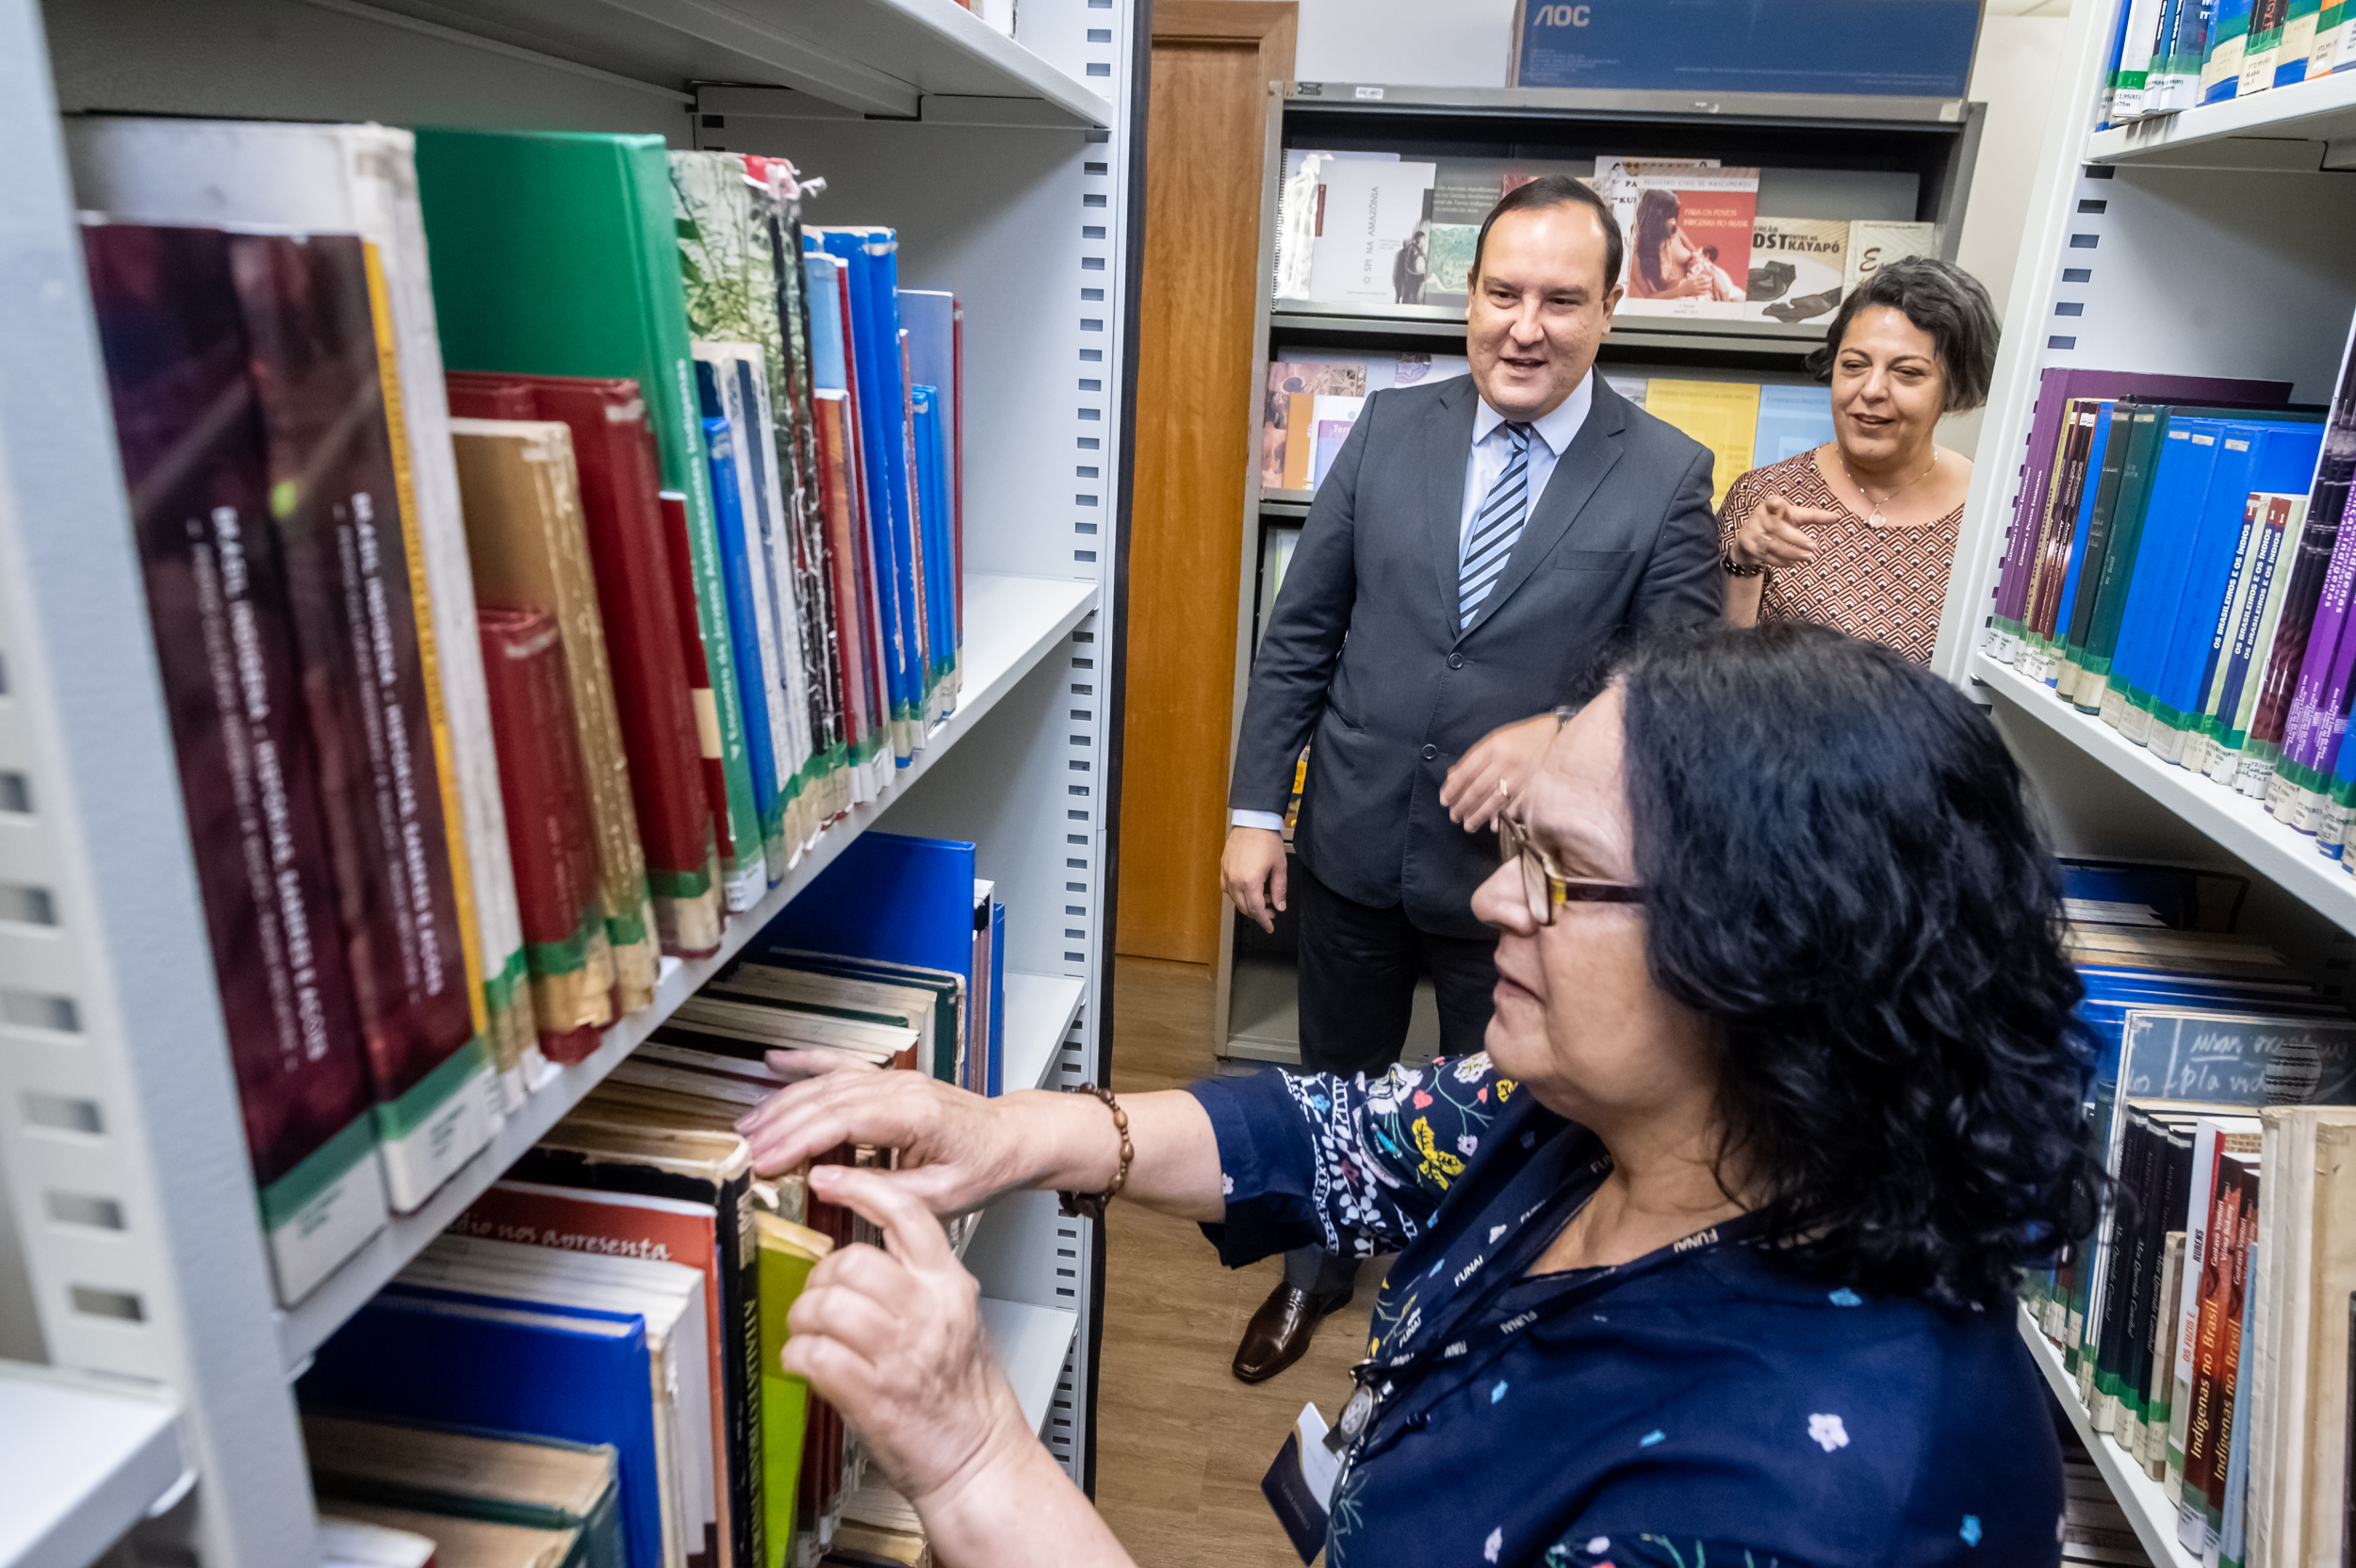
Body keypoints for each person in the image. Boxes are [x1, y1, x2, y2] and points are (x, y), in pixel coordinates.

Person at [735, 622, 2101, 1568]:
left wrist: (975, 1460)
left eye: (1558, 870)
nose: (1494, 899)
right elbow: (1338, 1136)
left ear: (1768, 948)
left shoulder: (1797, 1508)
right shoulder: (1591, 1112)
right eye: (1518, 845)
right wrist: (1007, 1130)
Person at [1218, 172, 1722, 1382]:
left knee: (1496, 1113)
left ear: (1609, 311)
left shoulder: (1662, 472)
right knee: (1333, 1069)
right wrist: (1251, 809)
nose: (1524, 325)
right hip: (1347, 838)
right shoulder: (1391, 429)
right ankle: (1311, 1270)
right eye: (1501, 292)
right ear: (1470, 298)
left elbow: (1683, 680)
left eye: (1560, 298)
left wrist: (1557, 728)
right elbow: (1300, 633)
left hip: (1518, 882)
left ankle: (1442, 1307)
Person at [1719, 255, 2000, 664]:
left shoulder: (1995, 513)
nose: (1871, 390)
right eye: (1854, 365)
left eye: (1906, 373)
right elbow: (1713, 683)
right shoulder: (1761, 496)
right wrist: (1743, 565)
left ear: (1953, 388)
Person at [1626, 187, 1741, 302]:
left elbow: (1701, 257)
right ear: (1654, 219)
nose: (1673, 222)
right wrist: (1683, 290)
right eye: (1667, 217)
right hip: (1683, 299)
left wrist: (1716, 277)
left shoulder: (1676, 232)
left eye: (1674, 216)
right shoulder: (1636, 253)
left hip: (1708, 279)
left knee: (1740, 300)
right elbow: (1647, 297)